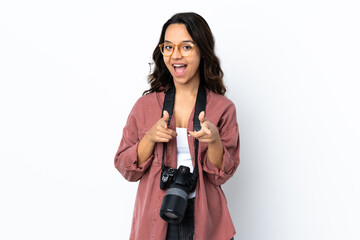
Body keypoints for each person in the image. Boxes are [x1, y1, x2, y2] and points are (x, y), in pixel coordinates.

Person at [114, 12, 240, 240]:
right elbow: (126, 168)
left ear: (202, 51)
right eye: (168, 47)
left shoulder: (223, 108)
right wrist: (150, 138)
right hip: (155, 217)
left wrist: (215, 141)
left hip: (207, 222)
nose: (176, 55)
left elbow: (221, 176)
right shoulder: (145, 106)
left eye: (186, 47)